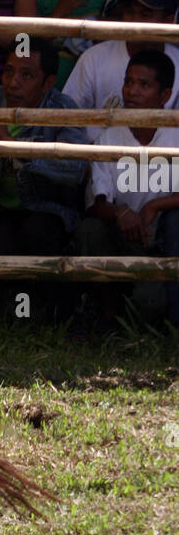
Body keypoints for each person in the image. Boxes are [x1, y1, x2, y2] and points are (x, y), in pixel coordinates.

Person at [0, 40, 86, 312]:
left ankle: (52, 315)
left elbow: (74, 169)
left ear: (48, 83)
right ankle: (0, 315)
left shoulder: (64, 111)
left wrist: (6, 141)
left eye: (26, 75)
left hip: (46, 210)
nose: (13, 83)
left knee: (39, 234)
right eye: (9, 71)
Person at [69, 50, 179, 329]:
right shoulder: (109, 137)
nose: (132, 91)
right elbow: (95, 203)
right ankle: (106, 310)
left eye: (144, 85)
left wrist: (156, 206)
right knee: (89, 231)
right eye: (128, 82)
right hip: (122, 240)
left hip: (163, 244)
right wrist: (121, 213)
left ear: (165, 95)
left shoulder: (176, 135)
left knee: (149, 310)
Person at [62, 0, 179, 135]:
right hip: (96, 154)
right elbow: (66, 117)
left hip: (161, 157)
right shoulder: (94, 57)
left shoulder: (177, 61)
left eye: (145, 14)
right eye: (129, 12)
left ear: (168, 21)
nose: (134, 21)